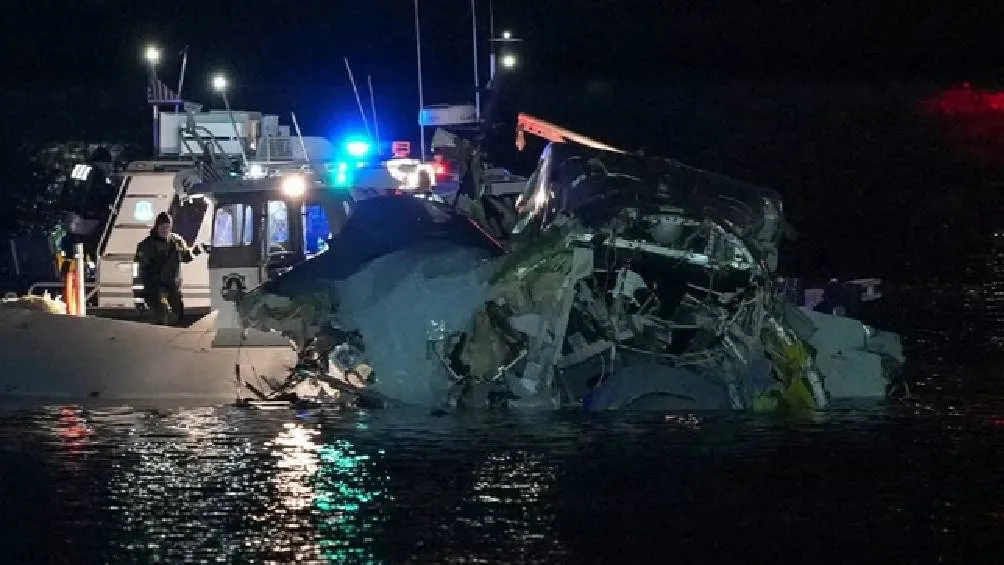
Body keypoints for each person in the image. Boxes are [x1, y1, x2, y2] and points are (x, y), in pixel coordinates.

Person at [135, 212, 197, 325]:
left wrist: (197, 250)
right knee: (163, 313)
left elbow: (186, 257)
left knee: (178, 315)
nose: (165, 230)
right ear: (156, 227)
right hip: (154, 289)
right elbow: (139, 273)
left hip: (173, 288)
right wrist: (139, 300)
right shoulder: (146, 245)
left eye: (168, 227)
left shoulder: (177, 242)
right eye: (162, 227)